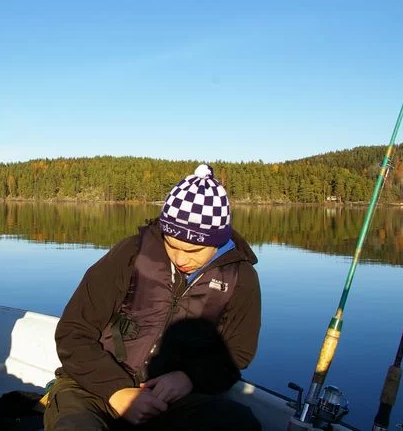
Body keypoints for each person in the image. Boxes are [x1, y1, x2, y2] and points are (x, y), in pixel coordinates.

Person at [43, 164, 262, 430]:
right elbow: (73, 332)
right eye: (172, 245)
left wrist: (189, 378)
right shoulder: (131, 254)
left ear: (217, 241)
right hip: (94, 389)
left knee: (238, 422)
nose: (181, 259)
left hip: (171, 401)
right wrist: (117, 391)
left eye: (193, 250)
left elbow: (237, 353)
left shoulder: (241, 278)